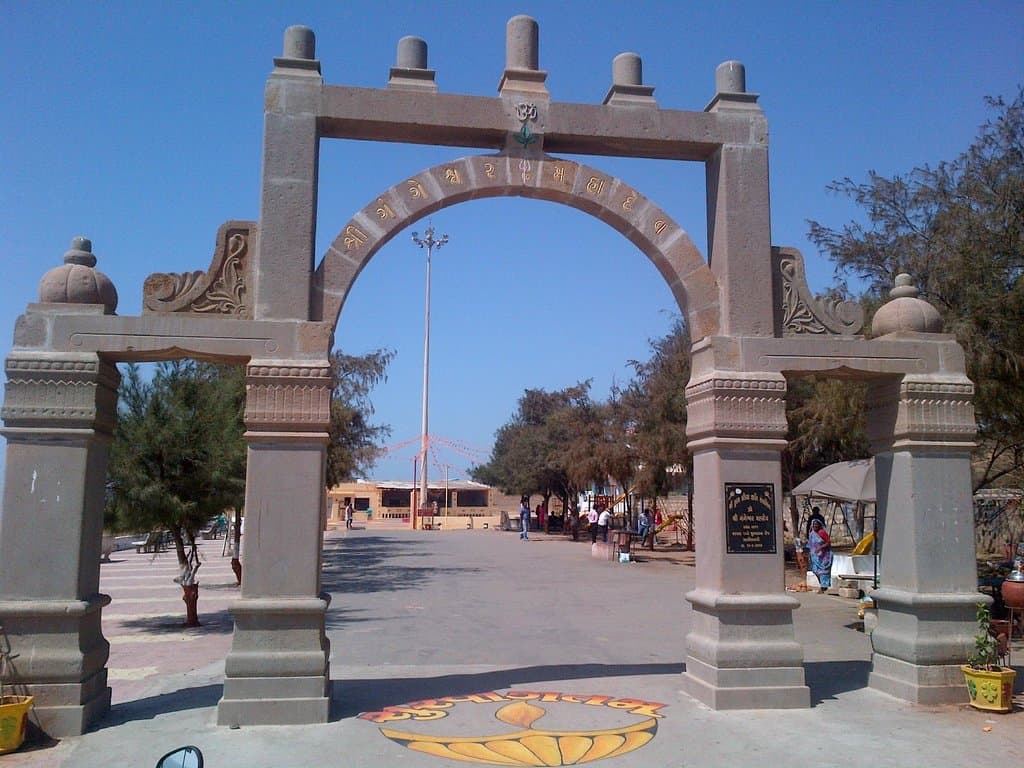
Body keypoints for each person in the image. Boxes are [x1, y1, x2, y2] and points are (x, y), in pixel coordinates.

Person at [808, 519, 833, 592]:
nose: (815, 526)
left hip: (824, 556)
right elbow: (810, 545)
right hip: (815, 557)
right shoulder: (812, 533)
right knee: (815, 570)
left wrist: (821, 547)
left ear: (819, 525)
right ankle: (822, 584)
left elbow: (828, 542)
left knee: (823, 572)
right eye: (814, 524)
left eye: (817, 524)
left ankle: (823, 587)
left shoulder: (822, 532)